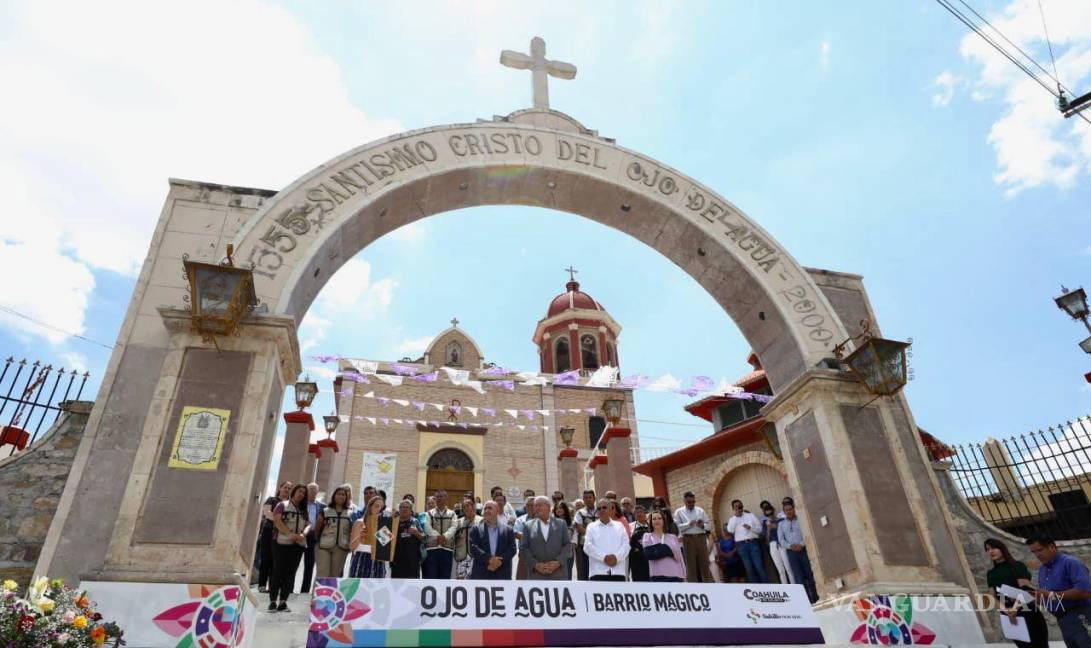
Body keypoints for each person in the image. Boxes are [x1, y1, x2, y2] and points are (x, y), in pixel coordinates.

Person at [1026, 534, 1091, 648]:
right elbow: (1048, 597)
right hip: (1062, 620)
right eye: (1034, 552)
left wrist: (1050, 595)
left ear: (1052, 547)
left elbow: (1085, 592)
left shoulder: (1070, 563)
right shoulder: (1043, 569)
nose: (1037, 555)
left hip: (1081, 615)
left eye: (1040, 550)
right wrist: (1037, 598)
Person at [985, 537, 1048, 648]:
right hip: (1009, 615)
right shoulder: (991, 573)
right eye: (987, 549)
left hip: (1027, 611)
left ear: (1002, 549)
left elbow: (1025, 589)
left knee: (1039, 644)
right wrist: (1006, 611)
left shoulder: (1017, 566)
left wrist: (1014, 609)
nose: (990, 551)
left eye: (994, 548)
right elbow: (992, 596)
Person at [269, 484, 310, 612]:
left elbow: (309, 524)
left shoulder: (304, 509)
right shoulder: (282, 505)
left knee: (290, 574)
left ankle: (283, 602)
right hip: (281, 543)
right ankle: (272, 602)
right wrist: (289, 534)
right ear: (294, 492)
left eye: (303, 492)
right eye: (299, 491)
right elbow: (277, 520)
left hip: (297, 546)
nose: (301, 494)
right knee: (277, 572)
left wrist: (303, 534)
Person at [521, 496, 572, 581]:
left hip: (558, 574)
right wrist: (536, 565)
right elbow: (524, 548)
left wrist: (558, 562)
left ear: (548, 507)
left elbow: (567, 545)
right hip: (536, 575)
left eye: (540, 505)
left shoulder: (561, 524)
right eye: (535, 506)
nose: (537, 508)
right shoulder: (528, 526)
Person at [778, 498, 818, 603]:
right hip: (791, 553)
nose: (789, 511)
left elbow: (807, 533)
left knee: (810, 575)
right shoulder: (781, 524)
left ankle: (816, 598)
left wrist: (801, 544)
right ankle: (806, 601)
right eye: (786, 510)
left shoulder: (801, 520)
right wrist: (790, 546)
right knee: (798, 577)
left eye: (790, 509)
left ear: (794, 509)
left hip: (803, 550)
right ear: (784, 512)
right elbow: (781, 540)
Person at [585, 498, 629, 581]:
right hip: (598, 572)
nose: (601, 510)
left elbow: (626, 545)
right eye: (599, 508)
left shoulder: (619, 526)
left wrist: (616, 557)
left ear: (610, 509)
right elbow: (587, 546)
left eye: (604, 507)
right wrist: (604, 558)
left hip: (617, 571)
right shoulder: (591, 526)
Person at [469, 500, 516, 579]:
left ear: (497, 510)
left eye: (490, 508)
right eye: (485, 509)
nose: (486, 511)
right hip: (481, 574)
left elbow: (512, 549)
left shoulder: (508, 530)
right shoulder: (476, 529)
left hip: (502, 573)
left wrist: (499, 562)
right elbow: (473, 548)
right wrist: (489, 559)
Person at [257, 481, 291, 592]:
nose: (287, 490)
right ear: (280, 488)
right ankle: (262, 585)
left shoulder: (290, 505)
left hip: (281, 535)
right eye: (285, 487)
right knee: (265, 559)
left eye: (289, 488)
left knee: (275, 561)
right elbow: (266, 512)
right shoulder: (272, 500)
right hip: (268, 532)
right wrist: (279, 522)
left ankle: (273, 586)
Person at [674, 491, 713, 583]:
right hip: (687, 539)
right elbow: (676, 527)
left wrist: (703, 525)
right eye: (689, 502)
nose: (691, 504)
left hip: (701, 538)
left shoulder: (700, 510)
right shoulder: (679, 512)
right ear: (684, 501)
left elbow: (709, 525)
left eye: (693, 502)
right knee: (691, 566)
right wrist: (688, 524)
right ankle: (694, 589)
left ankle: (709, 588)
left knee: (705, 565)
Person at [316, 486, 353, 579]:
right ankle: (318, 594)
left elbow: (351, 530)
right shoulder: (325, 511)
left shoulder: (351, 513)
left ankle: (330, 594)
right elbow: (318, 527)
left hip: (341, 547)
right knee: (322, 573)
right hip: (323, 546)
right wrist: (318, 540)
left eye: (343, 494)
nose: (341, 496)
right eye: (339, 494)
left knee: (334, 575)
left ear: (346, 497)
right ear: (334, 496)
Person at [726, 499, 767, 584]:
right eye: (736, 507)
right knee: (749, 568)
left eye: (739, 506)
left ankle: (768, 588)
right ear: (733, 508)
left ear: (742, 506)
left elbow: (760, 530)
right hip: (741, 546)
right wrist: (736, 517)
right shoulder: (732, 519)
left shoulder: (750, 515)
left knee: (759, 567)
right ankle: (756, 591)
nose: (738, 508)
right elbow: (730, 530)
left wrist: (750, 528)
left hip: (753, 543)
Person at [348, 495, 387, 578]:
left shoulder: (384, 526)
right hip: (361, 560)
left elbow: (385, 554)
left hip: (378, 563)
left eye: (381, 507)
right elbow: (352, 547)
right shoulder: (360, 522)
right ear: (370, 507)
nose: (379, 509)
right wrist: (360, 537)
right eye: (377, 506)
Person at [643, 509, 685, 582]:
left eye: (659, 518)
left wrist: (684, 575)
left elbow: (679, 557)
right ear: (651, 522)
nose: (657, 520)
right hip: (657, 574)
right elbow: (649, 554)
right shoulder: (647, 536)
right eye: (654, 519)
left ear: (663, 521)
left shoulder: (673, 537)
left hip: (675, 574)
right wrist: (668, 550)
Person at [423, 489, 456, 579]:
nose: (439, 499)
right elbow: (427, 527)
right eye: (437, 497)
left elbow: (454, 527)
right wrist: (438, 536)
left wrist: (445, 536)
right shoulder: (429, 513)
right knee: (431, 577)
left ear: (446, 498)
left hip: (447, 549)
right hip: (432, 549)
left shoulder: (452, 513)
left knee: (445, 578)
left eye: (441, 496)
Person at [390, 499, 426, 578]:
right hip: (396, 562)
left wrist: (416, 533)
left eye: (407, 507)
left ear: (411, 510)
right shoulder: (394, 522)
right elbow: (383, 538)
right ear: (399, 509)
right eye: (403, 507)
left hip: (413, 562)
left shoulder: (415, 521)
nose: (405, 509)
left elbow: (424, 539)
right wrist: (389, 520)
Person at [761, 500, 793, 585]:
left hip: (782, 543)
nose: (770, 515)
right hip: (773, 545)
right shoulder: (765, 523)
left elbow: (787, 533)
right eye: (767, 514)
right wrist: (768, 530)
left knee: (788, 568)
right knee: (780, 570)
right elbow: (767, 541)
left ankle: (794, 586)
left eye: (770, 512)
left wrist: (777, 526)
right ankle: (785, 588)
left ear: (773, 511)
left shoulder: (781, 520)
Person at [300, 483, 325, 593]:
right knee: (293, 564)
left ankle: (304, 591)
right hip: (299, 536)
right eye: (311, 490)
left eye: (315, 490)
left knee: (309, 566)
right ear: (307, 491)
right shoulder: (299, 504)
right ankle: (288, 589)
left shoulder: (322, 507)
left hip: (313, 538)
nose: (313, 492)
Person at [449, 497, 482, 579]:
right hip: (461, 556)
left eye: (468, 505)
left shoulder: (481, 520)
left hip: (476, 557)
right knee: (461, 581)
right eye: (463, 507)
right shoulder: (458, 522)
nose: (465, 508)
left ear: (473, 506)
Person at [572, 489, 597, 580]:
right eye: (586, 498)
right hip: (583, 546)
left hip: (598, 546)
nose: (588, 499)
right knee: (583, 571)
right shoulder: (580, 512)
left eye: (590, 497)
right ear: (583, 499)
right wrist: (593, 537)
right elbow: (579, 527)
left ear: (594, 499)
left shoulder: (600, 510)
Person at [553, 500, 575, 579]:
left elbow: (574, 537)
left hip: (568, 554)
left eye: (561, 508)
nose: (558, 510)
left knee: (567, 575)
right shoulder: (551, 523)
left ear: (565, 509)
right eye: (557, 508)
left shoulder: (572, 522)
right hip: (555, 554)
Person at [629, 505, 651, 582]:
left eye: (641, 512)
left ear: (645, 514)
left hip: (650, 559)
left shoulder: (651, 525)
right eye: (636, 513)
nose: (639, 514)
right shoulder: (630, 526)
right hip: (636, 561)